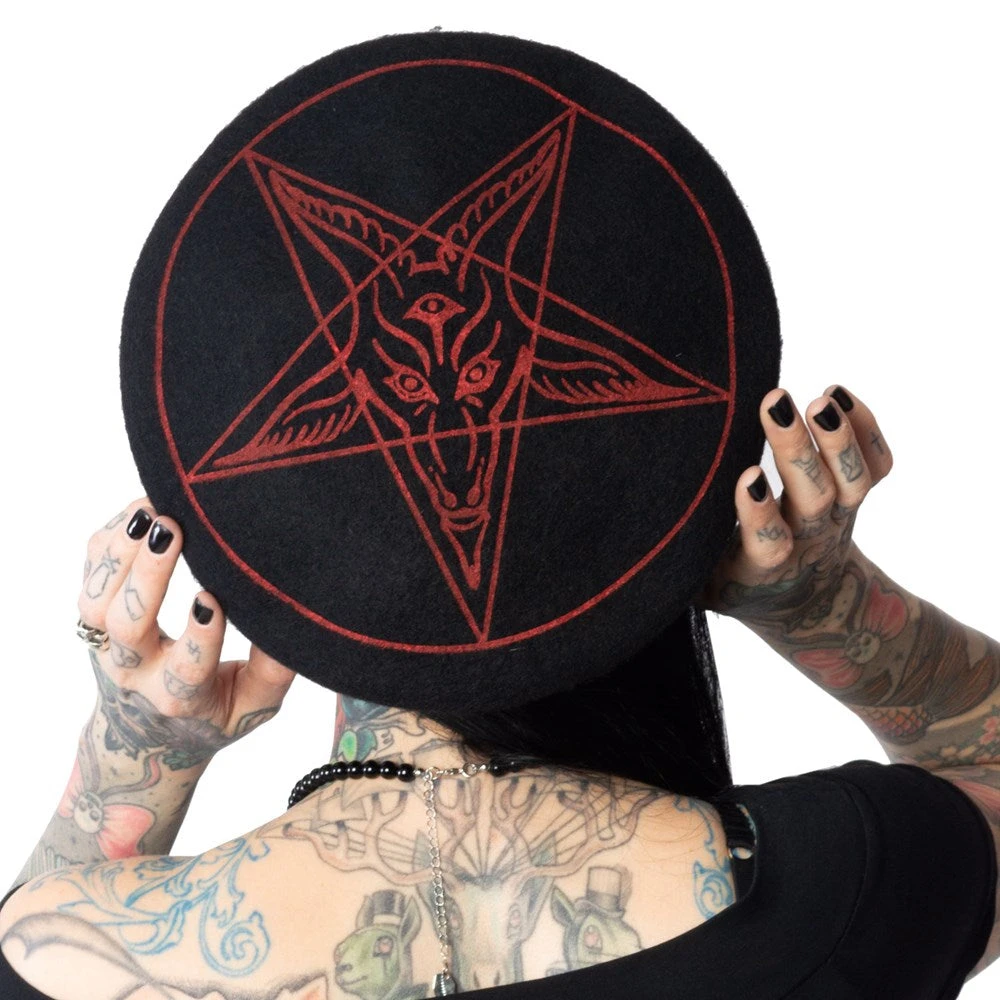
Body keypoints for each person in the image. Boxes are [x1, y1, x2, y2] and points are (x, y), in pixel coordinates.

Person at [0, 381, 996, 999]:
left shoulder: (63, 952)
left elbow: (39, 941)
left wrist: (139, 756)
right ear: (642, 564)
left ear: (281, 577)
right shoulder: (844, 884)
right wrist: (821, 606)